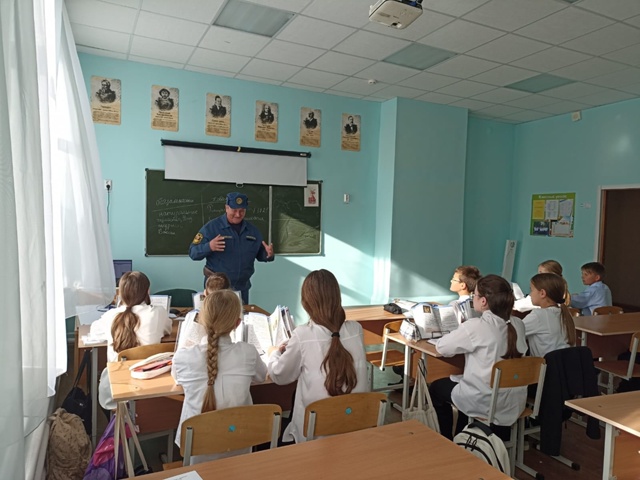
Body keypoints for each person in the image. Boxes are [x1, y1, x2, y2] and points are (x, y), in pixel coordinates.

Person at [267, 269, 369, 443]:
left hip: (315, 434)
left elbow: (280, 376)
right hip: (354, 426)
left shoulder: (302, 335)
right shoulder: (356, 330)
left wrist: (274, 353)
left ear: (306, 302)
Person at [172, 290, 267, 464]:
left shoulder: (183, 357)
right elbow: (261, 377)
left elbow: (177, 378)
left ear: (201, 320)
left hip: (197, 447)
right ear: (237, 323)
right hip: (239, 441)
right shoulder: (248, 352)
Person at [429, 274, 528, 440]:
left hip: (484, 401)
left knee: (436, 388)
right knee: (463, 384)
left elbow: (442, 347)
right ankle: (464, 431)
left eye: (474, 295)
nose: (472, 298)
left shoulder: (476, 326)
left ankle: (447, 440)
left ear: (483, 301)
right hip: (513, 401)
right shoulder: (519, 324)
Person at [189, 192, 274, 304]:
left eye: (242, 211)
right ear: (226, 208)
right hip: (217, 289)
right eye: (234, 210)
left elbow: (260, 254)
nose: (238, 214)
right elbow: (193, 253)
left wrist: (268, 255)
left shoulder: (252, 231)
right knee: (216, 315)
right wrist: (209, 246)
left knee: (240, 315)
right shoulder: (211, 228)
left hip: (242, 288)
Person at [90, 271, 172, 362]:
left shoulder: (111, 315)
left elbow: (94, 332)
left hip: (117, 370)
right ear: (147, 291)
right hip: (147, 369)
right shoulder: (158, 312)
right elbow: (168, 329)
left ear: (120, 293)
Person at [524, 273, 576, 358]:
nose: (530, 295)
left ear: (542, 293)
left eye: (531, 290)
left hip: (545, 365)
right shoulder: (564, 313)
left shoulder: (538, 315)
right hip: (564, 364)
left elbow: (512, 333)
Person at [177, 272, 231, 350]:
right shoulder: (232, 317)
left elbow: (182, 348)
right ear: (229, 294)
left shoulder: (192, 316)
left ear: (205, 293)